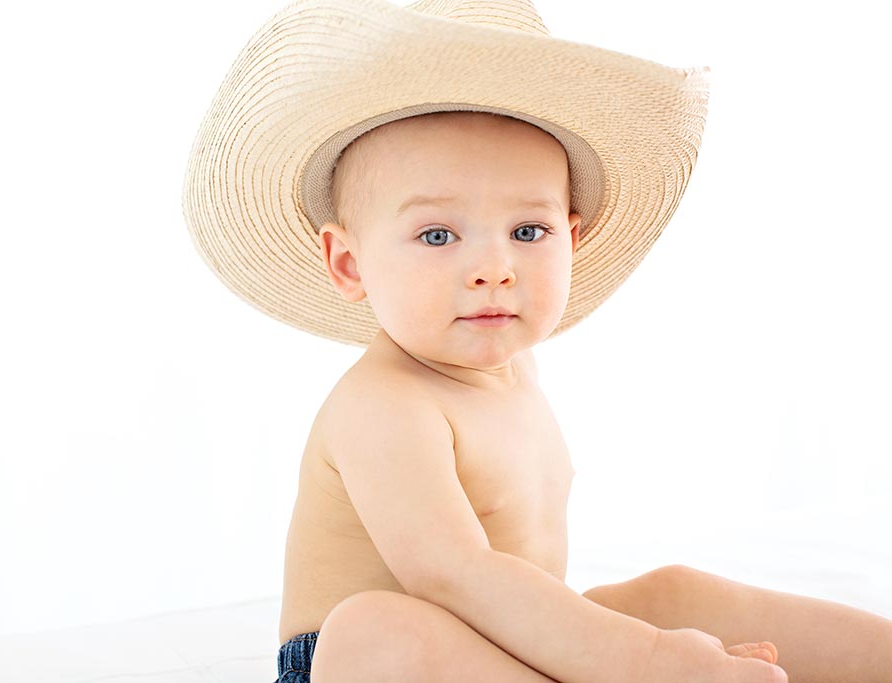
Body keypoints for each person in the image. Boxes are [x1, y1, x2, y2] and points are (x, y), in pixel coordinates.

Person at [181, 2, 892, 682]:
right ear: (348, 264)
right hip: (367, 665)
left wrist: (637, 642)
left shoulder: (519, 375)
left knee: (672, 594)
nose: (495, 267)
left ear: (571, 241)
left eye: (529, 231)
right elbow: (453, 573)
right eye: (437, 234)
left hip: (504, 646)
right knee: (372, 630)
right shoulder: (383, 404)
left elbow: (529, 596)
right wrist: (642, 661)